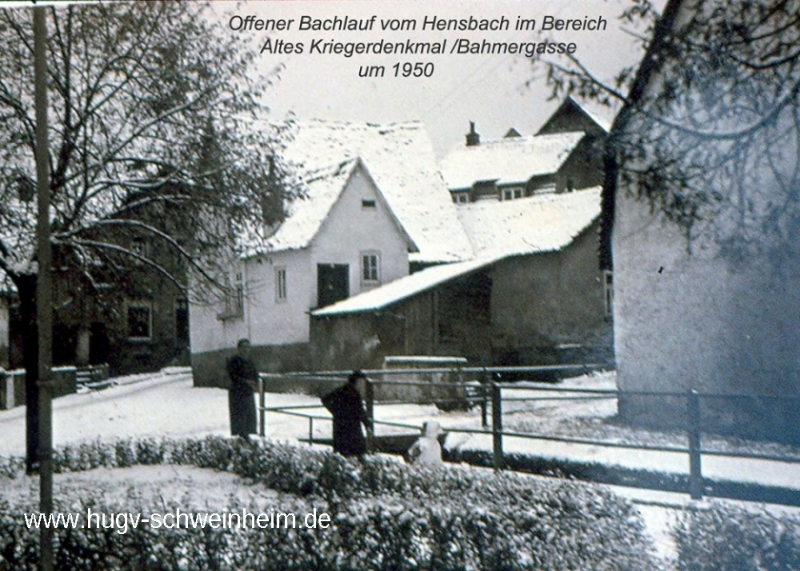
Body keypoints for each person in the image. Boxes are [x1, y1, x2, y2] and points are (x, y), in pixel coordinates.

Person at [322, 370, 370, 457]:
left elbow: (325, 399)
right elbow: (360, 410)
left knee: (342, 452)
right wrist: (367, 424)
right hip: (352, 428)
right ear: (357, 382)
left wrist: (335, 411)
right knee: (358, 452)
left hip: (340, 426)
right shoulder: (355, 395)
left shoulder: (341, 390)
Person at [226, 338, 258, 438]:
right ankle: (240, 437)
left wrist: (255, 383)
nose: (246, 350)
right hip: (237, 394)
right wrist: (245, 382)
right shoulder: (233, 361)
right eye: (244, 347)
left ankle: (250, 435)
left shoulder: (250, 361)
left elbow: (255, 374)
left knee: (250, 418)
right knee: (240, 419)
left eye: (248, 347)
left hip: (248, 393)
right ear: (238, 349)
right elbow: (233, 376)